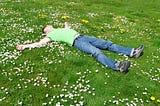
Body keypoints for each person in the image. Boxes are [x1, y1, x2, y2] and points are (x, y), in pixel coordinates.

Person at [16, 22, 144, 73]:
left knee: (107, 44)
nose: (49, 26)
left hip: (83, 36)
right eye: (47, 28)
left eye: (49, 26)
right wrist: (25, 46)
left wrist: (66, 25)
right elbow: (39, 43)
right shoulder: (50, 36)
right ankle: (118, 66)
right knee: (96, 52)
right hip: (77, 42)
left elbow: (66, 29)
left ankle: (132, 52)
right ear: (46, 32)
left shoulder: (59, 29)